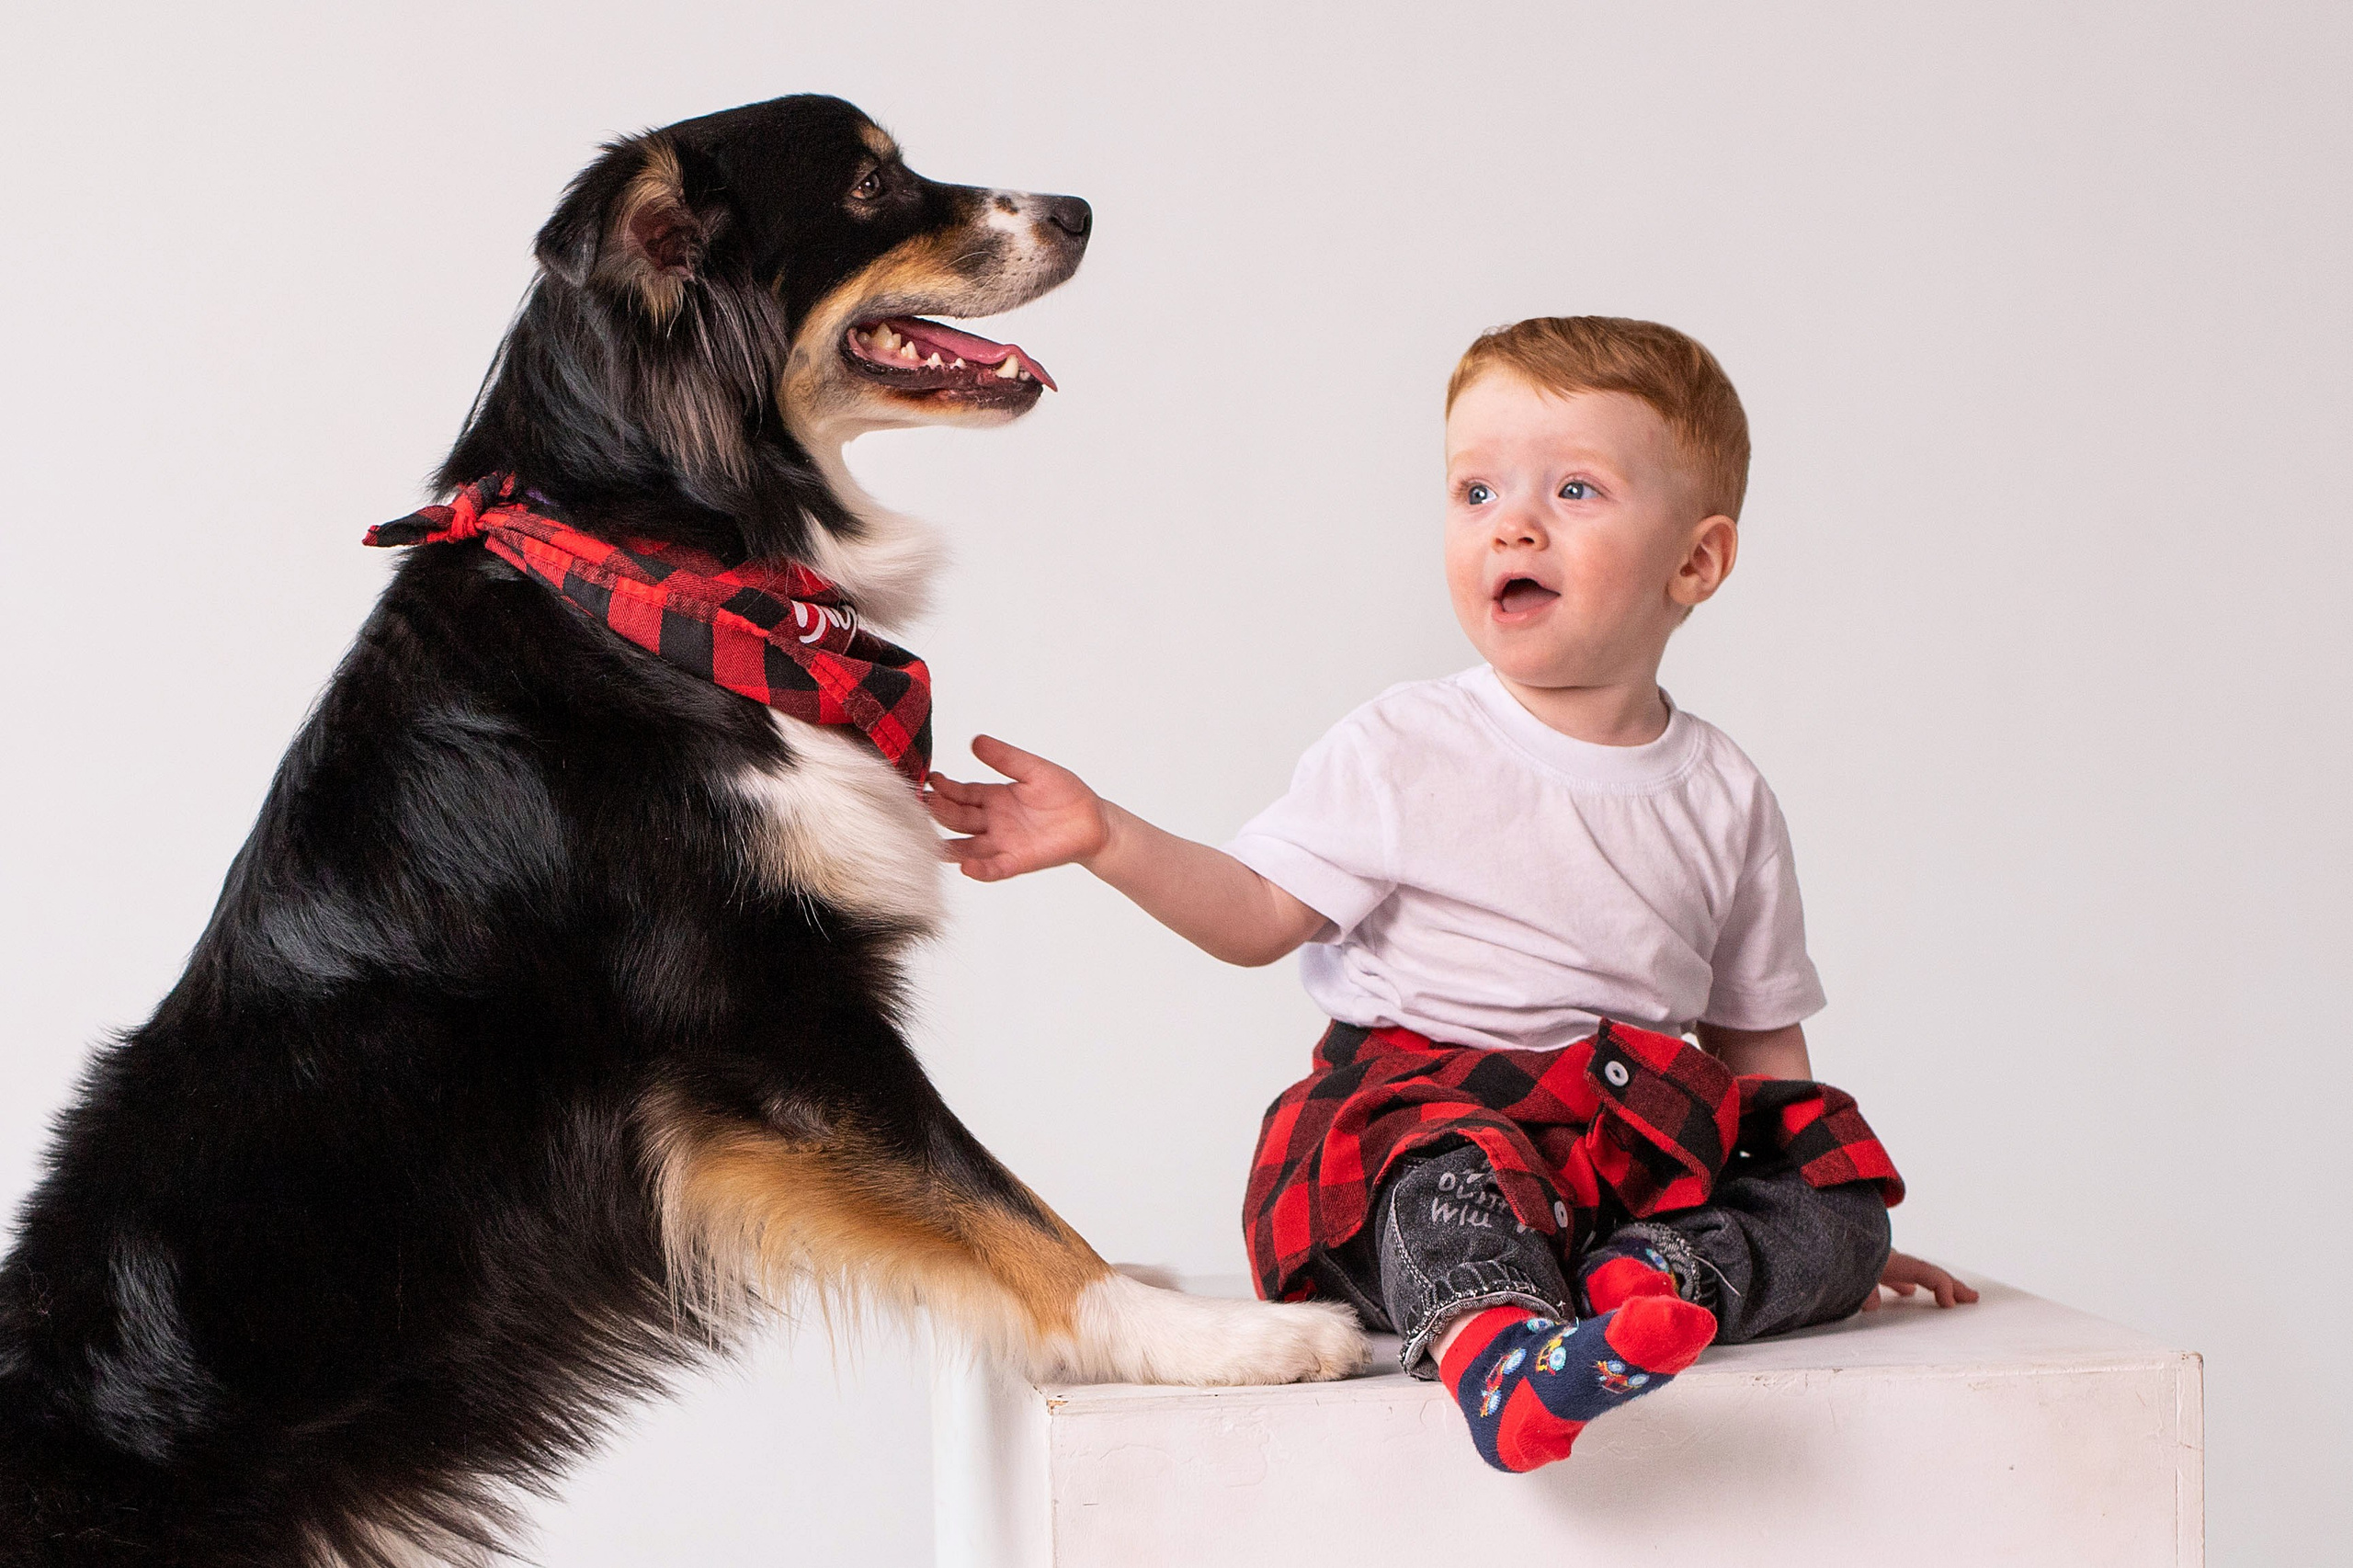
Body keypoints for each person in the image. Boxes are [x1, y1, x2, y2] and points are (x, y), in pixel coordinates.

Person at [923, 316, 1976, 1472]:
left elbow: (1753, 1032)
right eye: (1475, 491)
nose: (1511, 522)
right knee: (1453, 1181)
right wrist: (1107, 835)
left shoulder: (1724, 791)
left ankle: (1657, 1279)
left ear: (1696, 562)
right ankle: (1502, 1355)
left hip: (1621, 1154)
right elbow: (1257, 914)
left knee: (1846, 1203)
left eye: (1574, 488)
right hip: (1414, 1124)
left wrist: (1804, 1209)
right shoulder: (1407, 745)